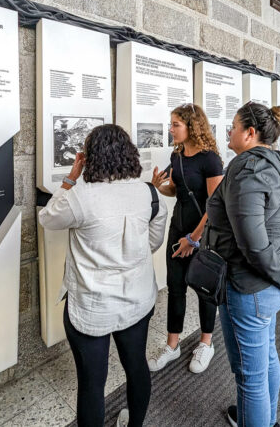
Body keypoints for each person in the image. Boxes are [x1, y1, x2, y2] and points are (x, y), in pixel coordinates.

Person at [39, 124, 167, 427]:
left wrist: (71, 176)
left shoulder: (81, 196)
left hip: (92, 306)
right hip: (137, 299)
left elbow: (47, 218)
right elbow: (152, 242)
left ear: (89, 156)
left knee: (92, 385)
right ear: (129, 154)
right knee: (136, 366)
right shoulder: (148, 193)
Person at [205, 102, 280, 427]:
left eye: (234, 126)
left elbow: (253, 245)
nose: (229, 132)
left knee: (250, 377)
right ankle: (267, 421)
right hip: (267, 284)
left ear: (249, 133)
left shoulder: (247, 169)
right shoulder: (277, 162)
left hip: (250, 287)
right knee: (266, 358)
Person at [148, 104, 223, 374]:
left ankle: (206, 342)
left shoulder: (210, 159)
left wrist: (193, 239)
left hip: (202, 234)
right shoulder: (177, 155)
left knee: (204, 289)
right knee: (175, 285)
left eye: (175, 124)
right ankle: (173, 344)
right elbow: (178, 191)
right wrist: (160, 186)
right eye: (171, 124)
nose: (170, 129)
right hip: (178, 228)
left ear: (192, 126)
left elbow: (214, 205)